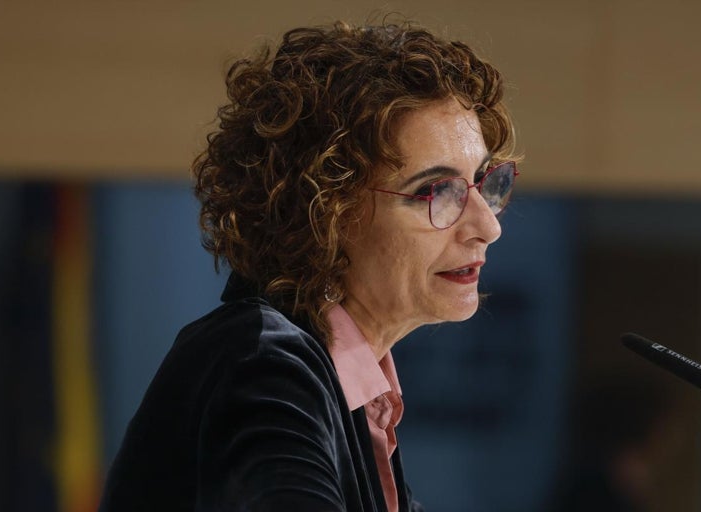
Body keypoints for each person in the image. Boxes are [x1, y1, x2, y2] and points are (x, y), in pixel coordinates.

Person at [99, 20, 518, 512]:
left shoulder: (349, 393)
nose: (488, 226)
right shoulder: (261, 365)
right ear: (326, 213)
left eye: (482, 182)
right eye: (435, 191)